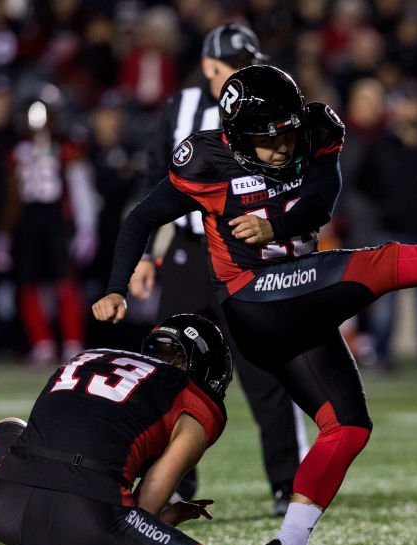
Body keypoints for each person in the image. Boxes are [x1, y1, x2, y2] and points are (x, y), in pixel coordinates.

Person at [93, 65, 417, 545]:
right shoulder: (204, 159)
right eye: (270, 139)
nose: (284, 145)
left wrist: (278, 223)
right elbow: (139, 220)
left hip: (296, 301)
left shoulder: (318, 131)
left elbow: (321, 199)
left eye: (289, 132)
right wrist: (116, 287)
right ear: (239, 136)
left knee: (348, 426)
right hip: (252, 299)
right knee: (381, 264)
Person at [128, 22, 307, 515]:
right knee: (169, 371)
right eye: (234, 68)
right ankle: (175, 481)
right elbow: (152, 183)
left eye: (248, 67)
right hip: (187, 253)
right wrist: (146, 254)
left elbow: (295, 175)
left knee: (263, 369)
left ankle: (287, 482)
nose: (243, 77)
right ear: (210, 67)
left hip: (244, 252)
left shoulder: (271, 102)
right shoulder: (178, 108)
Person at [0, 313, 246, 545]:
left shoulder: (86, 356)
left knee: (3, 429)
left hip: (6, 509)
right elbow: (146, 503)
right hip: (86, 516)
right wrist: (162, 522)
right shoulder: (195, 399)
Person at [0, 91, 98, 366]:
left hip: (57, 221)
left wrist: (86, 227)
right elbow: (13, 196)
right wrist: (4, 234)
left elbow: (80, 190)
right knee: (29, 284)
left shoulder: (68, 148)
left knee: (65, 283)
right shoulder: (16, 151)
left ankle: (72, 341)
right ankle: (42, 343)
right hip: (28, 220)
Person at [357, 82, 417, 371]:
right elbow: (364, 183)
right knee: (386, 303)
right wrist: (388, 205)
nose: (412, 110)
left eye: (416, 104)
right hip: (391, 232)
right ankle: (381, 354)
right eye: (407, 103)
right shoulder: (382, 147)